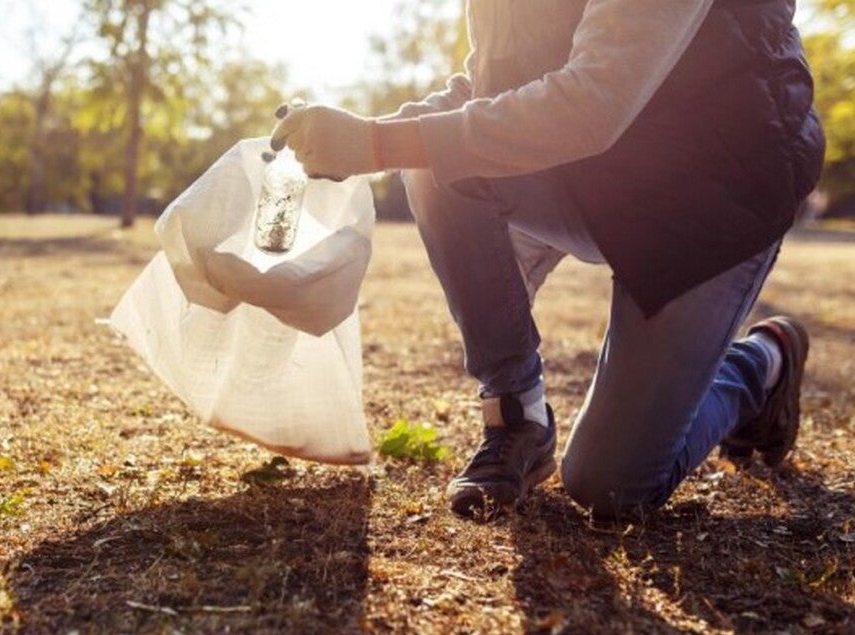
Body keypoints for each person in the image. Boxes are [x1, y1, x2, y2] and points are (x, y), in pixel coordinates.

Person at [269, 0, 825, 520]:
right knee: (436, 160)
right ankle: (518, 418)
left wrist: (376, 144)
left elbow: (592, 103)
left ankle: (761, 363)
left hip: (713, 199)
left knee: (611, 485)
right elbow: (485, 85)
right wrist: (360, 140)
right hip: (600, 176)